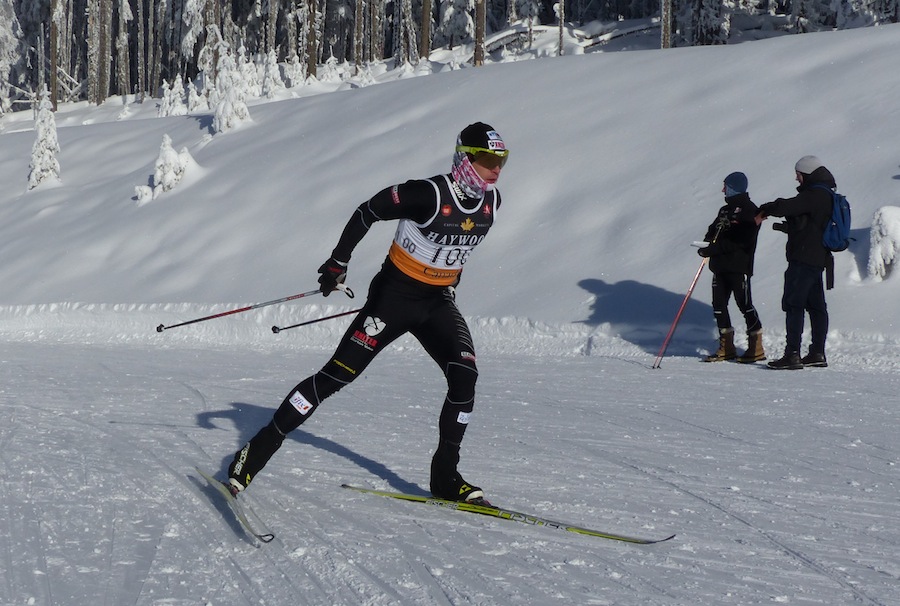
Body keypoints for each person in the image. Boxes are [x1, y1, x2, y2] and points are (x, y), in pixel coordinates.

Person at [224, 122, 509, 503]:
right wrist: (337, 262)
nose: (496, 168)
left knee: (465, 378)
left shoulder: (493, 202)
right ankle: (253, 455)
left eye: (501, 160)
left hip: (437, 302)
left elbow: (457, 244)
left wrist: (448, 278)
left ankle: (445, 477)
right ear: (465, 159)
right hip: (393, 299)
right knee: (334, 378)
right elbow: (368, 211)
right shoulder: (426, 193)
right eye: (489, 159)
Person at [756, 155, 834, 370]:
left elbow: (787, 206)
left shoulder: (815, 194)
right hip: (818, 258)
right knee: (816, 306)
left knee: (794, 304)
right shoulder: (826, 193)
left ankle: (792, 354)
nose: (796, 178)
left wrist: (766, 208)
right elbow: (811, 225)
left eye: (798, 174)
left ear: (807, 173)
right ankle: (817, 352)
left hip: (803, 258)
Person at [698, 171, 765, 363]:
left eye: (725, 186)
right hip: (720, 266)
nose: (722, 190)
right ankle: (726, 347)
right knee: (719, 305)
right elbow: (712, 231)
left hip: (739, 266)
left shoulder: (749, 210)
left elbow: (742, 241)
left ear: (734, 187)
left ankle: (756, 346)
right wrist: (706, 244)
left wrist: (714, 248)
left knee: (744, 304)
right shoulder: (724, 210)